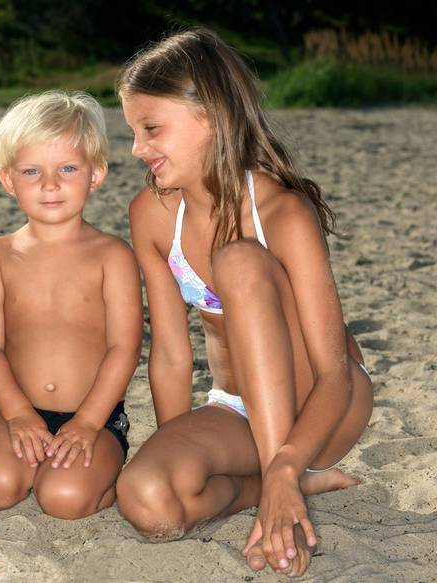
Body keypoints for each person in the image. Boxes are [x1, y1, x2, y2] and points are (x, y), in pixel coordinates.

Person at [115, 28, 373, 576]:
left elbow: (334, 374)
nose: (138, 149)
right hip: (235, 408)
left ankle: (284, 486)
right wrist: (176, 444)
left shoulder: (282, 212)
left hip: (323, 405)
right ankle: (279, 486)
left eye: (151, 129)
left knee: (238, 261)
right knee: (147, 498)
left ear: (210, 116)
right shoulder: (152, 214)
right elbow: (171, 356)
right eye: (133, 131)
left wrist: (287, 460)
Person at [0, 91, 142, 519]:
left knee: (64, 499)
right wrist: (16, 414)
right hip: (17, 410)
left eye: (67, 168)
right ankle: (27, 455)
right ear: (8, 180)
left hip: (94, 415)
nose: (50, 184)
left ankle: (102, 473)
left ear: (95, 174)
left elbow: (124, 349)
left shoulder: (112, 255)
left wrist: (88, 423)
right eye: (31, 171)